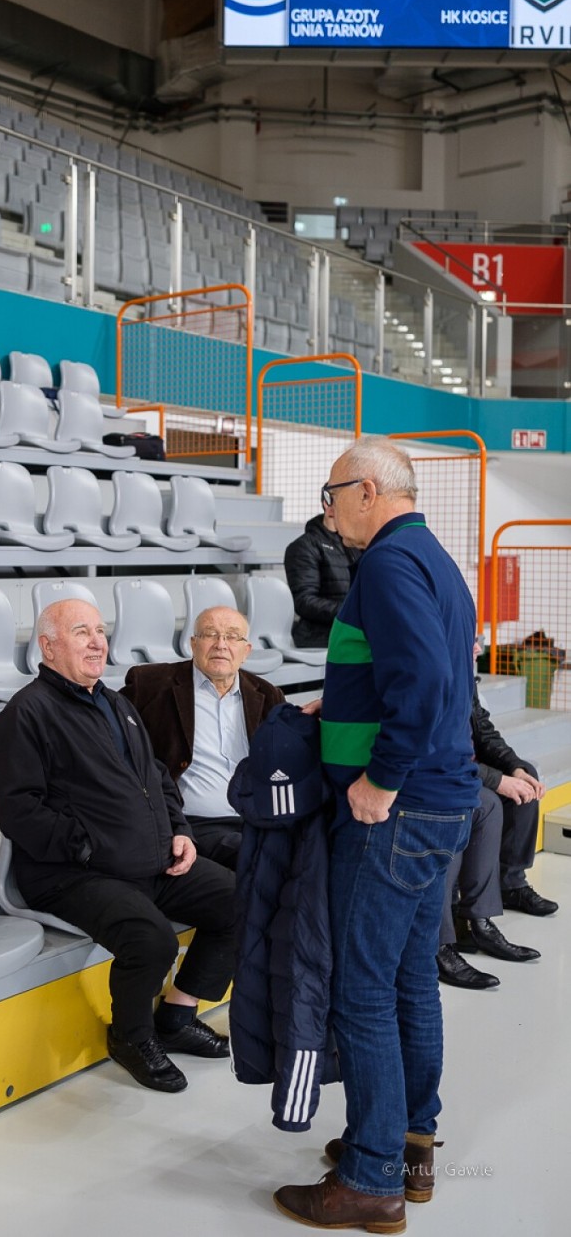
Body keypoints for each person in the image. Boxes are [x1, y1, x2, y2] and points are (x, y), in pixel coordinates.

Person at [272, 437, 481, 1232]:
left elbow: (425, 684)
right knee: (405, 981)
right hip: (443, 802)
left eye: (330, 496)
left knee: (361, 989)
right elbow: (424, 675)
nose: (327, 513)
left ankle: (370, 1179)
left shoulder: (389, 565)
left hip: (399, 809)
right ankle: (409, 1144)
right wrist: (347, 706)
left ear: (366, 491)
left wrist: (380, 779)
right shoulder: (428, 556)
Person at [0, 598, 235, 1095]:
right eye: (82, 632)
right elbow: (21, 811)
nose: (97, 641)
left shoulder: (116, 703)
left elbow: (158, 777)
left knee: (241, 897)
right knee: (152, 940)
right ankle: (130, 1037)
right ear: (49, 646)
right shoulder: (26, 713)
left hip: (149, 859)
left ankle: (177, 1016)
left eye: (100, 631)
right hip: (72, 874)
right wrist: (89, 848)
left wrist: (180, 833)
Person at [120, 605, 283, 870]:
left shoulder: (267, 695)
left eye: (232, 637)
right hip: (194, 824)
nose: (221, 645)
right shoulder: (150, 685)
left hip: (256, 818)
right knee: (264, 859)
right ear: (193, 644)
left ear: (246, 651)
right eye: (210, 634)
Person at [437, 651, 557, 990]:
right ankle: (457, 932)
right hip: (437, 774)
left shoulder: (459, 666)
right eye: (470, 638)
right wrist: (498, 780)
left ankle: (509, 886)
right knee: (486, 801)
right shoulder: (431, 668)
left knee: (527, 774)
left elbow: (483, 730)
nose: (476, 647)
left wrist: (514, 767)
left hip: (462, 767)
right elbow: (439, 751)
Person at [283, 499, 362, 648]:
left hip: (351, 630)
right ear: (328, 505)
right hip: (319, 635)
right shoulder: (303, 547)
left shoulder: (355, 544)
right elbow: (304, 601)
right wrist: (351, 611)